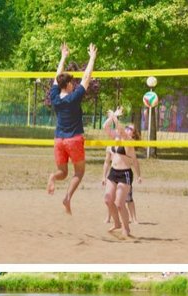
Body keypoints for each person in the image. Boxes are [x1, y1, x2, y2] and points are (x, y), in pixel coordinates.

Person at [46, 42, 98, 215]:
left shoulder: (54, 96)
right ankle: (67, 197)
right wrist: (92, 58)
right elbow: (87, 78)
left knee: (62, 172)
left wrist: (63, 57)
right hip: (73, 139)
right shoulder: (73, 97)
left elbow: (56, 77)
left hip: (58, 140)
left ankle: (53, 177)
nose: (74, 84)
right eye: (71, 82)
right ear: (67, 85)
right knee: (79, 172)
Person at [101, 108, 142, 238]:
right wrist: (113, 117)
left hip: (125, 174)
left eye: (131, 129)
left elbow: (122, 131)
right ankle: (117, 223)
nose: (128, 129)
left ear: (133, 134)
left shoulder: (129, 141)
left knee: (119, 203)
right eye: (127, 127)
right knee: (108, 200)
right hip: (113, 172)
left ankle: (126, 228)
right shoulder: (116, 138)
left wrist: (115, 117)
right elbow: (105, 127)